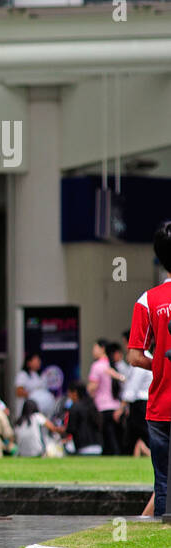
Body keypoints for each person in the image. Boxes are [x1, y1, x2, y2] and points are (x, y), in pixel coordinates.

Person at [126, 220, 171, 515]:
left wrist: (159, 364)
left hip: (159, 407)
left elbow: (133, 356)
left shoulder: (148, 300)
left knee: (164, 483)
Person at [87, 339, 122, 455]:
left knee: (107, 439)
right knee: (114, 437)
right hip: (115, 406)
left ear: (102, 349)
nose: (93, 350)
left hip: (102, 406)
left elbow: (93, 386)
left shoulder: (97, 366)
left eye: (95, 347)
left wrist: (87, 391)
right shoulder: (112, 364)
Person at [49, 381, 102, 455]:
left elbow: (71, 428)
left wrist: (59, 429)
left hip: (83, 447)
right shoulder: (92, 405)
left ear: (75, 393)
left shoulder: (75, 407)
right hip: (98, 446)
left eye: (69, 393)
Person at [13, 353, 55, 419]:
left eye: (39, 361)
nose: (39, 363)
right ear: (29, 362)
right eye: (36, 361)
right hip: (28, 410)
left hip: (42, 410)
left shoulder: (40, 376)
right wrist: (35, 396)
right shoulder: (23, 375)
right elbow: (19, 392)